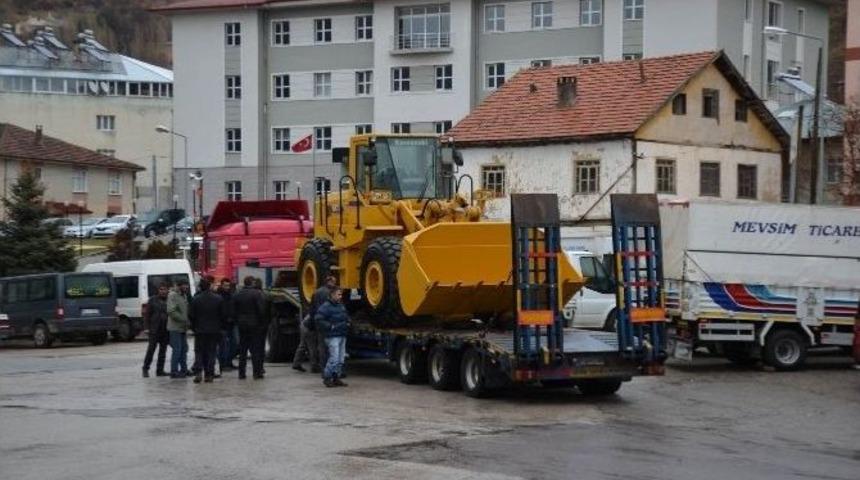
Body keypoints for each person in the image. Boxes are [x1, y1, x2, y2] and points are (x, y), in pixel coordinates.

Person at [294, 274, 337, 373]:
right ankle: (318, 367)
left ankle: (297, 364)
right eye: (334, 282)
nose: (335, 284)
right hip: (314, 324)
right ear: (329, 282)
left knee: (305, 345)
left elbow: (312, 308)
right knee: (317, 346)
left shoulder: (316, 292)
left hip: (311, 322)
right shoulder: (329, 293)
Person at [189, 279, 227, 383]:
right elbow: (223, 315)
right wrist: (220, 327)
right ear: (209, 286)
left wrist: (194, 327)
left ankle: (198, 372)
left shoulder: (195, 299)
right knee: (211, 352)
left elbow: (191, 315)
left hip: (200, 330)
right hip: (214, 330)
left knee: (199, 352)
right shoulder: (218, 299)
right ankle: (209, 374)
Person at [232, 276, 268, 379]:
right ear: (252, 282)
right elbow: (261, 310)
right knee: (255, 349)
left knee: (243, 350)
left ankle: (241, 373)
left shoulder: (237, 294)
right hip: (254, 325)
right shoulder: (257, 294)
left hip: (242, 325)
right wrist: (261, 322)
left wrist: (237, 321)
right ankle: (257, 373)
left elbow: (233, 310)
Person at [315, 288, 350, 387]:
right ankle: (327, 377)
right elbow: (318, 319)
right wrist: (330, 326)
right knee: (334, 358)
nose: (340, 296)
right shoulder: (325, 307)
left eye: (341, 295)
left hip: (342, 335)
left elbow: (345, 315)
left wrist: (348, 321)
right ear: (332, 295)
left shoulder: (341, 305)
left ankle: (336, 377)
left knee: (340, 359)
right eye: (338, 295)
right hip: (332, 336)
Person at [142, 282, 170, 378]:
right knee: (151, 350)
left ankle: (160, 370)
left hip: (165, 329)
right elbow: (147, 315)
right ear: (158, 290)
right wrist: (146, 328)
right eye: (161, 289)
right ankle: (145, 369)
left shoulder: (170, 300)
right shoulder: (152, 300)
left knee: (163, 351)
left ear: (167, 290)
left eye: (164, 289)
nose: (162, 291)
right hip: (154, 329)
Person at [166, 281, 191, 379]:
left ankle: (184, 369)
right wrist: (183, 319)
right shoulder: (173, 295)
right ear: (179, 286)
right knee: (177, 349)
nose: (186, 287)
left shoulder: (184, 295)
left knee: (184, 349)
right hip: (175, 327)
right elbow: (171, 311)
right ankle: (174, 371)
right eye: (184, 285)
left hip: (183, 328)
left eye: (187, 285)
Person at [217, 278, 237, 372]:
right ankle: (223, 364)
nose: (227, 287)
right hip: (222, 325)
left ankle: (229, 362)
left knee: (234, 344)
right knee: (224, 345)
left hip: (231, 323)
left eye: (228, 285)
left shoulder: (231, 295)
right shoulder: (218, 296)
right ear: (221, 285)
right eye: (225, 285)